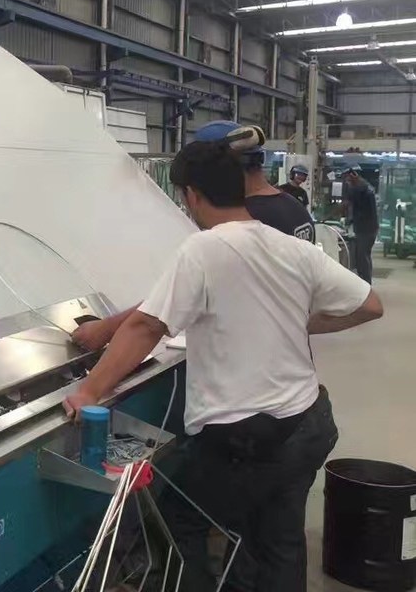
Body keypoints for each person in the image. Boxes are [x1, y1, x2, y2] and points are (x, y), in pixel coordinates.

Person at [63, 141, 383, 592]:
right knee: (278, 541)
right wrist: (302, 322)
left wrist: (88, 392)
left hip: (248, 439)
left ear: (191, 195)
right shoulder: (292, 249)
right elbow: (369, 305)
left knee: (179, 524)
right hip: (307, 423)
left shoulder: (204, 249)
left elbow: (146, 326)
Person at [72, 122, 315, 353]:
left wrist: (107, 328)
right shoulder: (293, 207)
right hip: (288, 355)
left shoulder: (244, 221)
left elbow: (177, 301)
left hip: (250, 364)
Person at [342, 165, 379, 283]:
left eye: (347, 177)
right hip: (370, 227)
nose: (346, 181)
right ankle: (366, 282)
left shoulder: (359, 188)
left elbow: (346, 204)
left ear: (354, 174)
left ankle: (365, 283)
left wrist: (326, 217)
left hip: (366, 228)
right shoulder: (365, 186)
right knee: (365, 256)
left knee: (361, 257)